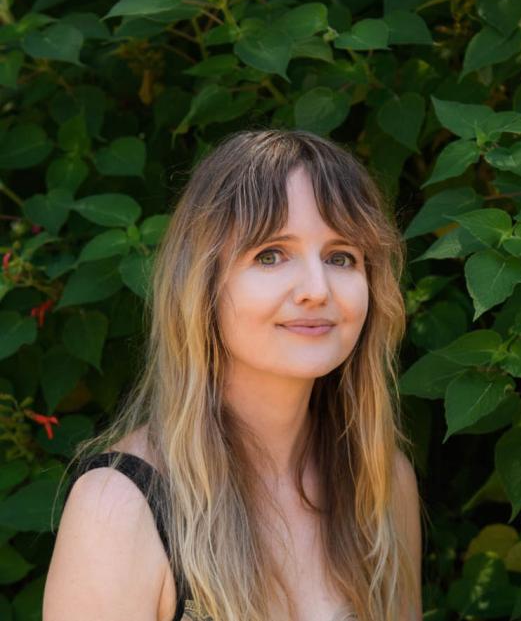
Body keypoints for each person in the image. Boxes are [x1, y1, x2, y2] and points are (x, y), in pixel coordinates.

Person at [43, 131, 420, 621]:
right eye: (271, 255)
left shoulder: (382, 480)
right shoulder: (119, 507)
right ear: (203, 285)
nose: (316, 288)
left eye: (340, 257)